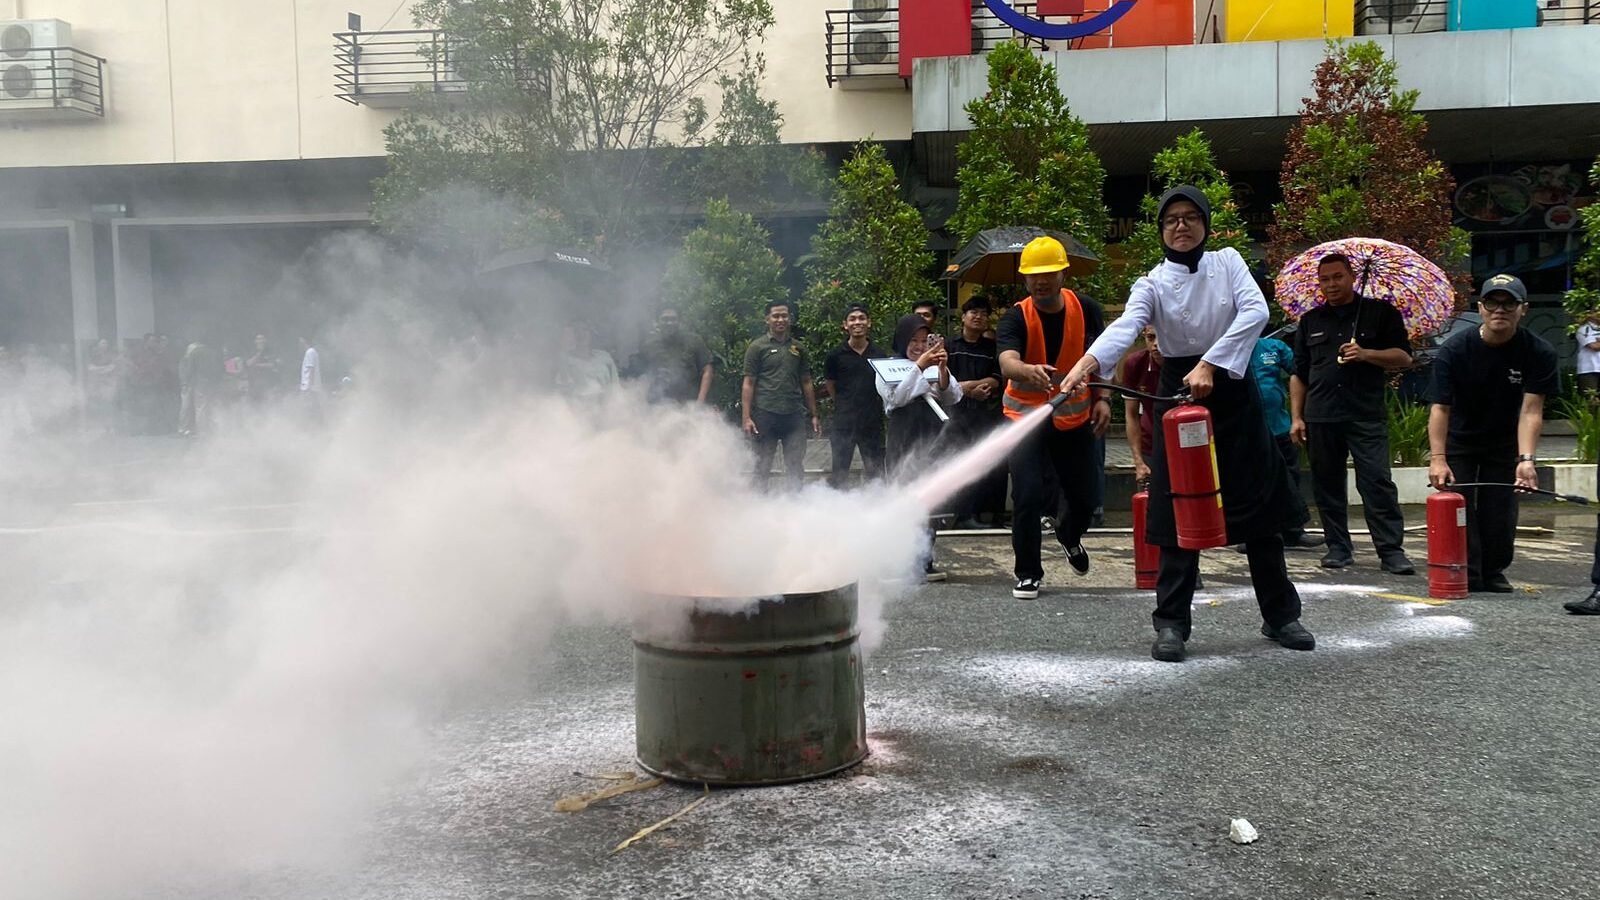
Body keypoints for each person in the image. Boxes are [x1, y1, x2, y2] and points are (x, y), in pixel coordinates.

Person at [1063, 185, 1314, 663]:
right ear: (1161, 230)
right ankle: (1171, 623)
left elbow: (1255, 311)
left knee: (1260, 510)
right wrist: (1087, 364)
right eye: (1171, 219)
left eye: (1190, 217)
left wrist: (1212, 364)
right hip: (1179, 392)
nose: (1181, 225)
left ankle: (1281, 615)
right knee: (1178, 507)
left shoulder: (1229, 262)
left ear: (1205, 224)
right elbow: (1127, 325)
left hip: (1232, 391)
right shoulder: (1152, 282)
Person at [1426, 275, 1558, 593]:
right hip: (1461, 438)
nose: (1500, 310)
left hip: (1505, 441)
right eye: (1492, 302)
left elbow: (1531, 410)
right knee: (1459, 506)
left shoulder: (1538, 351)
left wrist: (1526, 460)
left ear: (1523, 309)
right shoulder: (1455, 350)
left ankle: (1493, 570)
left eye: (1509, 303)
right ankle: (1468, 571)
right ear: (1481, 308)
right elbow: (1440, 408)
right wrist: (1438, 459)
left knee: (1500, 510)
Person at [997, 236, 1110, 600]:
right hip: (1024, 420)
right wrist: (1026, 370)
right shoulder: (1016, 317)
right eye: (1033, 275)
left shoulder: (1086, 308)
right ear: (1025, 279)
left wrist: (1103, 398)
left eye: (1048, 273)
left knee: (1085, 496)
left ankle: (1069, 534)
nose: (1040, 281)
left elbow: (1105, 354)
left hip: (1073, 419)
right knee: (1027, 494)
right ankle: (1028, 572)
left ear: (1063, 274)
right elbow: (1007, 362)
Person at [1289, 252, 1416, 575]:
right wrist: (1297, 417)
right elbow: (1299, 374)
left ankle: (1391, 551)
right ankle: (1338, 547)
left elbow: (1404, 357)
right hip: (1321, 414)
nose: (1331, 284)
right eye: (1325, 279)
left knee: (1376, 481)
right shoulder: (1310, 321)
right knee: (1326, 484)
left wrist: (1366, 353)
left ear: (1351, 277)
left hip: (1365, 413)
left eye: (1337, 277)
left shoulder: (1380, 313)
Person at [878, 314, 964, 582]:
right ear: (902, 340)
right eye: (913, 340)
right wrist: (918, 367)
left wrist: (942, 370)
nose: (918, 346)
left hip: (932, 436)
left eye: (924, 340)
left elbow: (954, 395)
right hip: (903, 437)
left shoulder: (933, 364)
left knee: (929, 498)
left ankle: (924, 562)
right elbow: (896, 398)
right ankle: (898, 563)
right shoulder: (887, 367)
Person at [1249, 326, 1320, 549]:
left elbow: (1300, 372)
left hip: (1278, 426)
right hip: (1246, 431)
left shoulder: (1274, 347)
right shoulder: (1224, 350)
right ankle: (1251, 533)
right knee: (1251, 481)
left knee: (1289, 478)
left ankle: (1294, 531)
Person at [742, 301, 821, 492]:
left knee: (795, 465)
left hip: (793, 415)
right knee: (762, 465)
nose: (780, 320)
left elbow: (806, 382)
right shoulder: (757, 347)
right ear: (767, 319)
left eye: (784, 316)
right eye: (776, 316)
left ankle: (794, 502)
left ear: (790, 319)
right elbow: (748, 383)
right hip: (765, 414)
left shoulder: (799, 348)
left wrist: (814, 414)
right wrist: (746, 417)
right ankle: (759, 502)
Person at [945, 297, 1005, 528]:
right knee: (960, 463)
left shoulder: (991, 348)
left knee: (986, 463)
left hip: (984, 416)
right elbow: (943, 382)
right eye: (973, 312)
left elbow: (997, 379)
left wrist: (972, 387)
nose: (978, 317)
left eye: (983, 313)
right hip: (955, 417)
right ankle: (961, 515)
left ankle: (984, 513)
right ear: (963, 317)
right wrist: (970, 390)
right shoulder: (950, 347)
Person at [823, 305, 888, 489]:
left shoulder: (879, 355)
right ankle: (837, 504)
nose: (857, 322)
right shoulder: (835, 355)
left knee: (876, 472)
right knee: (839, 471)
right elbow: (830, 384)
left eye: (861, 318)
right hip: (843, 423)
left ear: (869, 322)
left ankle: (876, 503)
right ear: (845, 324)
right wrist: (844, 404)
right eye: (852, 319)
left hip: (872, 422)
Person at [637, 304, 714, 404]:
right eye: (665, 319)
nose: (669, 323)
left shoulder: (693, 341)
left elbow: (708, 370)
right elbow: (640, 375)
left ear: (680, 321)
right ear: (657, 321)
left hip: (688, 404)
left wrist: (700, 401)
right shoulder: (648, 344)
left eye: (673, 319)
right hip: (656, 404)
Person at [1118, 325, 1163, 488]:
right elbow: (1131, 415)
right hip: (1149, 444)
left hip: (1185, 442)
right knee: (1148, 497)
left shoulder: (1188, 362)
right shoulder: (1135, 363)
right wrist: (1138, 461)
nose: (1156, 344)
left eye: (1162, 337)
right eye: (1150, 337)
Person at [556, 321, 619, 398]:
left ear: (591, 333)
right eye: (576, 331)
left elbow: (616, 385)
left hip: (610, 402)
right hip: (581, 404)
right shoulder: (565, 360)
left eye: (585, 329)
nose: (581, 334)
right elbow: (564, 392)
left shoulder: (604, 356)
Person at [245, 334, 282, 404]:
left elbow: (273, 364)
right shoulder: (252, 352)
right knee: (254, 402)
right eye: (258, 339)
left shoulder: (270, 351)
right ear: (255, 341)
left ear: (265, 340)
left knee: (267, 401)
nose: (260, 341)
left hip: (267, 381)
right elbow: (248, 363)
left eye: (262, 339)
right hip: (253, 382)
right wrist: (258, 354)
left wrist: (260, 365)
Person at [1575, 311, 1600, 397]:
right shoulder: (1583, 329)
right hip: (1589, 370)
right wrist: (1597, 343)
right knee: (1591, 399)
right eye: (1596, 311)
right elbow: (1594, 346)